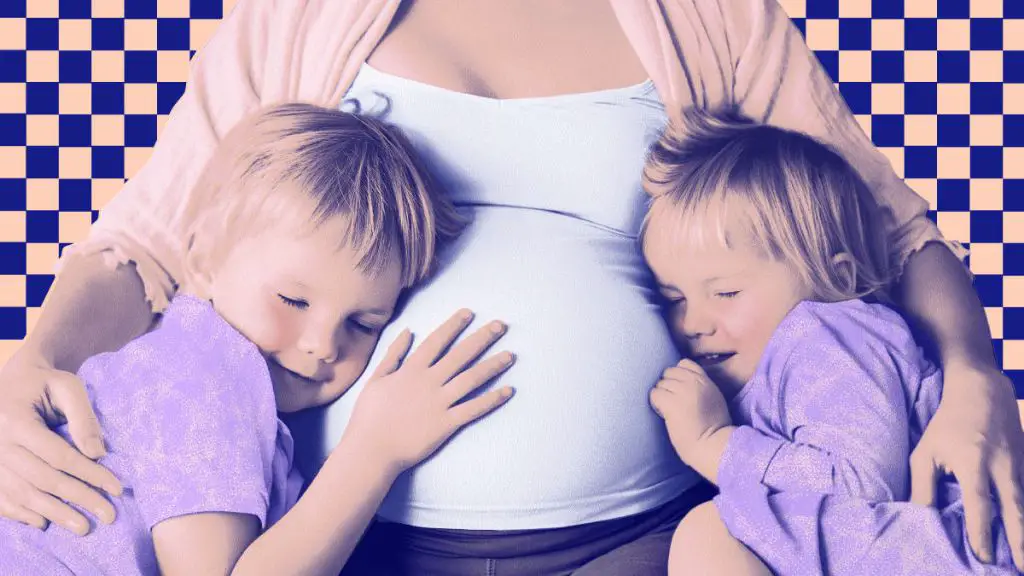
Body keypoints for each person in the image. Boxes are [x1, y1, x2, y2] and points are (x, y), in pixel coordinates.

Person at [0, 0, 1020, 572]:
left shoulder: (709, 17)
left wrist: (974, 375)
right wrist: (35, 361)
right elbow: (147, 245)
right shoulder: (299, 16)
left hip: (642, 540)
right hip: (342, 543)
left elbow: (881, 228)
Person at [0, 103, 516, 575]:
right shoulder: (204, 377)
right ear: (202, 259)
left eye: (362, 325)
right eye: (293, 300)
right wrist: (374, 451)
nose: (322, 344)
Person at [643, 110, 1023, 576]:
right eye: (673, 298)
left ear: (835, 278)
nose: (693, 322)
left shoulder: (831, 335)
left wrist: (714, 445)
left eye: (726, 293)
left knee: (709, 532)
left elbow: (857, 488)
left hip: (955, 554)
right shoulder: (772, 363)